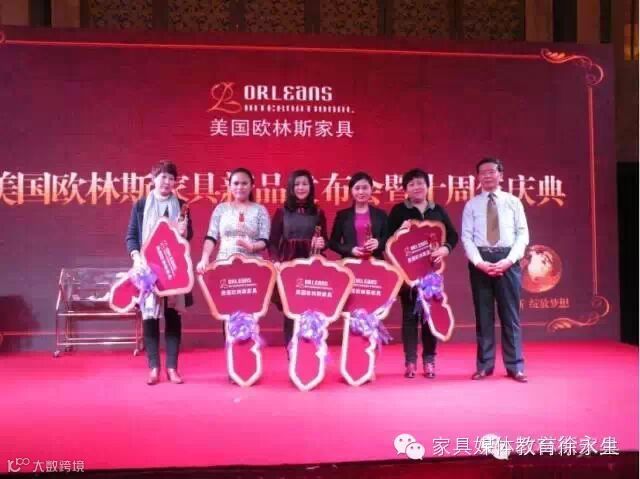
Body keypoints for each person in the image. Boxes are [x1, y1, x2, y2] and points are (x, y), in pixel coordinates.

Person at [461, 157, 529, 383]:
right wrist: (479, 262)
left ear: (501, 175)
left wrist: (509, 260)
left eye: (492, 171)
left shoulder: (513, 202)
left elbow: (523, 234)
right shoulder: (471, 205)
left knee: (510, 316)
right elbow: (466, 237)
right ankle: (484, 366)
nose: (487, 175)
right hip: (481, 261)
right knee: (483, 316)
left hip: (507, 259)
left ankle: (515, 366)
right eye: (483, 172)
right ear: (478, 177)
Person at [125, 161, 193, 385]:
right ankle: (154, 367)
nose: (167, 182)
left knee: (173, 316)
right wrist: (136, 257)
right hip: (148, 268)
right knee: (150, 317)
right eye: (163, 177)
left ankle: (172, 368)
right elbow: (131, 236)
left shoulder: (182, 205)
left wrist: (184, 231)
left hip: (173, 268)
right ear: (153, 179)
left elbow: (188, 237)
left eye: (171, 178)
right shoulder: (141, 205)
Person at [388, 168, 458, 379]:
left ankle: (429, 360)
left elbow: (452, 236)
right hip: (407, 275)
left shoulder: (438, 210)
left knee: (430, 317)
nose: (416, 187)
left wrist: (445, 248)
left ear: (427, 186)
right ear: (405, 189)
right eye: (411, 184)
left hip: (430, 275)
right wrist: (398, 233)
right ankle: (410, 361)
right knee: (410, 317)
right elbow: (387, 241)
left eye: (420, 183)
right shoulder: (398, 211)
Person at [269, 170, 328, 347]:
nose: (301, 187)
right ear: (291, 187)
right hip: (288, 266)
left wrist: (322, 242)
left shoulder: (318, 212)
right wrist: (275, 261)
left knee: (312, 310)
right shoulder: (282, 212)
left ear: (311, 187)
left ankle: (311, 351)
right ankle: (292, 352)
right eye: (297, 184)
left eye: (305, 184)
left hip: (312, 264)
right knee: (291, 311)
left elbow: (325, 240)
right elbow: (273, 242)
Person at [196, 167, 270, 270]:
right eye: (236, 183)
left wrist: (252, 247)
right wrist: (204, 258)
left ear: (252, 186)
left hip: (252, 264)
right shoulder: (221, 209)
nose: (240, 187)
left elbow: (264, 240)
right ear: (230, 186)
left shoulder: (260, 210)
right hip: (224, 263)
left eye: (244, 183)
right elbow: (211, 236)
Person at [329, 172, 388, 260]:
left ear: (371, 189)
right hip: (351, 263)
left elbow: (388, 239)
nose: (361, 192)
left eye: (365, 188)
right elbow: (333, 243)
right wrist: (350, 250)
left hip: (375, 262)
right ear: (351, 191)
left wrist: (378, 243)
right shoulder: (342, 216)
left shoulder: (381, 214)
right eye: (357, 188)